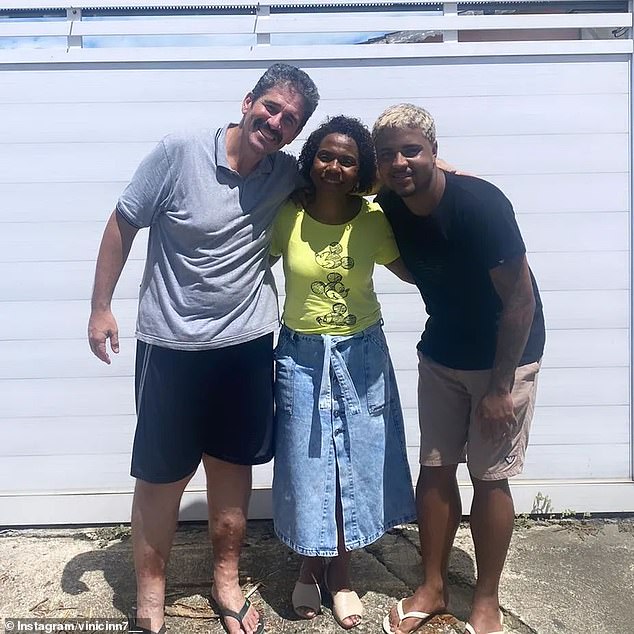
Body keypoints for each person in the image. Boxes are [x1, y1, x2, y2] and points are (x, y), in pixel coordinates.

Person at [87, 63, 319, 634]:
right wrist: (100, 307)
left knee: (232, 467)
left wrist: (441, 163)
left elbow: (366, 171)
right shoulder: (179, 152)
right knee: (162, 475)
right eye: (271, 107)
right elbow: (122, 222)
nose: (276, 121)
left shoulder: (287, 173)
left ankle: (225, 579)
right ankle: (150, 591)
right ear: (247, 102)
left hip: (244, 345)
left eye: (290, 119)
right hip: (171, 344)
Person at [373, 104, 545, 634]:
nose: (400, 162)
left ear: (433, 150)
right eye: (388, 154)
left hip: (503, 357)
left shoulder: (481, 204)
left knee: (490, 478)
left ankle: (487, 600)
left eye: (411, 150)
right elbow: (334, 183)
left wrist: (500, 388)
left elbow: (520, 300)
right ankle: (433, 586)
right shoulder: (386, 202)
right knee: (436, 466)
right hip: (442, 351)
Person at [269, 115, 416, 630]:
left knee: (353, 464)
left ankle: (344, 575)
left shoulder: (374, 219)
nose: (334, 166)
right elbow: (243, 265)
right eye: (326, 156)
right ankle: (311, 568)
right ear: (310, 159)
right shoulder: (285, 214)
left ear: (362, 170)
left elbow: (415, 271)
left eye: (347, 160)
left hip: (361, 354)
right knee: (310, 467)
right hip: (302, 354)